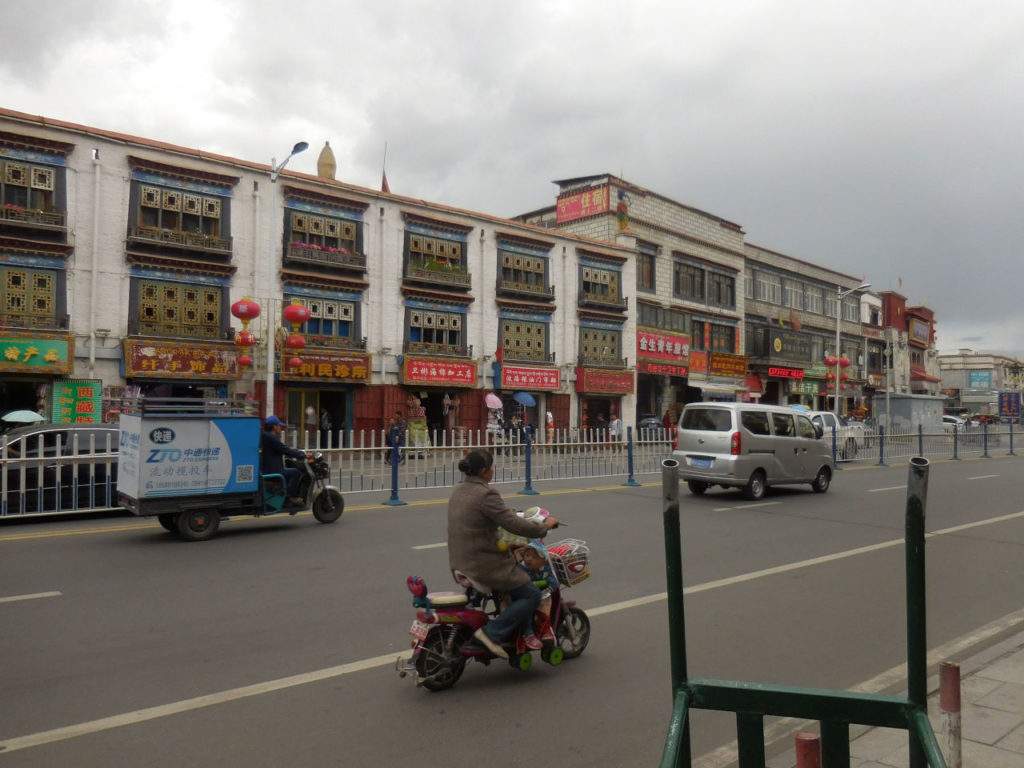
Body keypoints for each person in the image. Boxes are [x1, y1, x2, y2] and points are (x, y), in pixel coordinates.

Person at [447, 449, 559, 659]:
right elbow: (513, 523)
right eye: (491, 468)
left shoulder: (458, 490)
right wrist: (544, 527)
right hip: (483, 565)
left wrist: (508, 531)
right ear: (484, 472)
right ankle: (491, 635)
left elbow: (484, 523)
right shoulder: (486, 494)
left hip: (460, 562)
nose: (492, 471)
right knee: (532, 594)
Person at [517, 540, 557, 649]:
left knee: (546, 602)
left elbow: (553, 581)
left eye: (535, 557)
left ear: (543, 561)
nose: (529, 559)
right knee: (527, 608)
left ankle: (545, 630)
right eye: (527, 555)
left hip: (541, 594)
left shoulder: (545, 569)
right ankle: (528, 633)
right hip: (526, 595)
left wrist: (549, 588)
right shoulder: (521, 569)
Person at [260, 415, 306, 510]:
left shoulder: (265, 436)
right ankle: (287, 498)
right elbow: (285, 450)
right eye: (279, 426)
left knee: (290, 471)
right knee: (295, 473)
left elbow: (282, 449)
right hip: (273, 472)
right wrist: (302, 455)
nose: (280, 428)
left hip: (267, 469)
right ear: (274, 427)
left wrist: (295, 451)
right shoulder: (272, 438)